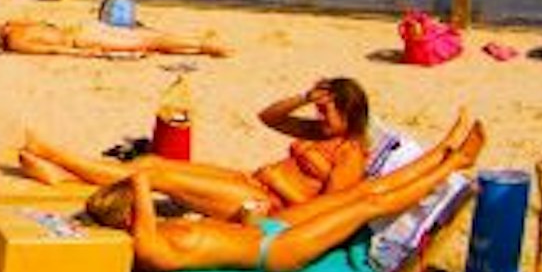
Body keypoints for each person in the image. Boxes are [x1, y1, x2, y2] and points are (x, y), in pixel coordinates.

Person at [83, 114, 483, 272]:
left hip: (263, 227)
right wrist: (138, 175)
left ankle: (444, 152)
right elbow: (142, 183)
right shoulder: (149, 245)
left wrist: (243, 219)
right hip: (276, 251)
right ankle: (451, 164)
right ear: (129, 220)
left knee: (367, 190)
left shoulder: (156, 234)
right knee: (367, 204)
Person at [19, 78, 372, 220]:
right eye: (319, 109)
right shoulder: (319, 132)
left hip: (262, 206)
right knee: (155, 161)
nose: (319, 116)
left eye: (327, 111)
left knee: (154, 176)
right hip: (249, 182)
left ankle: (55, 155)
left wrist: (277, 183)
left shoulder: (349, 155)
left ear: (350, 112)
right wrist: (305, 97)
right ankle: (62, 178)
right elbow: (268, 117)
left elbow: (324, 212)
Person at [0, 20, 227, 59]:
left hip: (80, 41)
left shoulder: (15, 41)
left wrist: (87, 54)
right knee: (145, 36)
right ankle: (198, 41)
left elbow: (53, 51)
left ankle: (204, 46)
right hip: (80, 27)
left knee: (148, 42)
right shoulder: (14, 22)